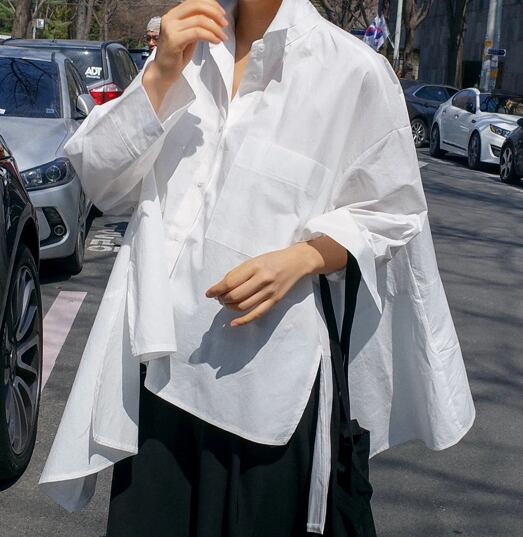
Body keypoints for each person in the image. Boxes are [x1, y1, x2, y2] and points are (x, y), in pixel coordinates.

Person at [39, 0, 476, 535]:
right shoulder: (186, 53)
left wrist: (304, 257)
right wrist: (160, 74)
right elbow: (101, 181)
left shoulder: (351, 70)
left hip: (267, 387)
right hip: (157, 371)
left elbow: (393, 209)